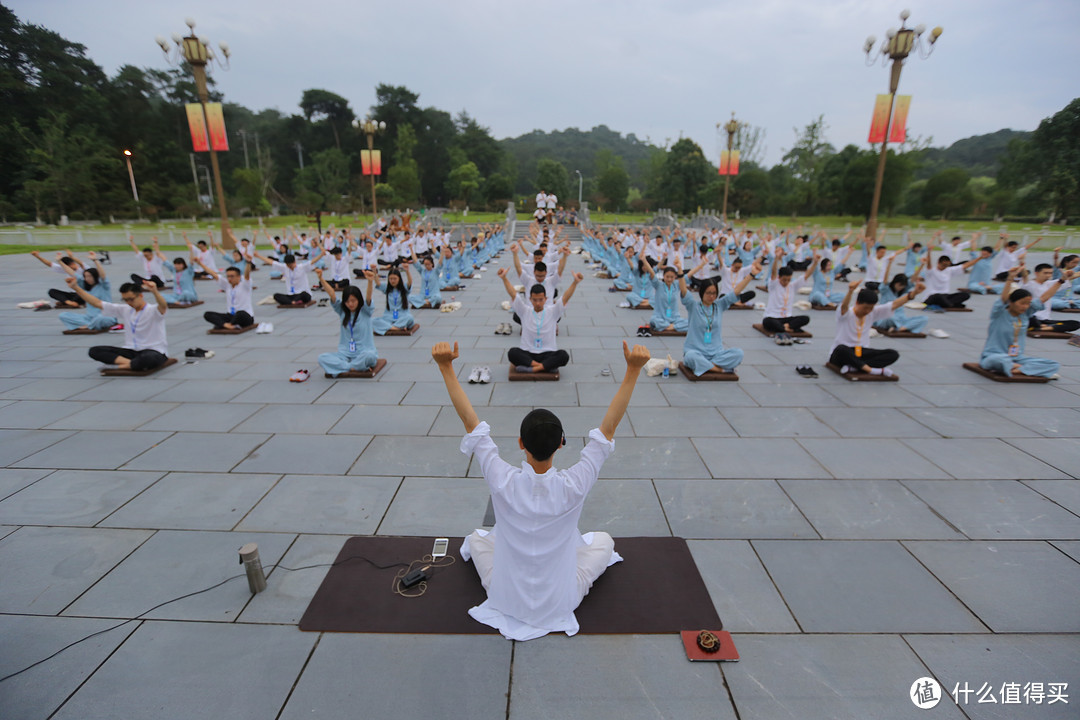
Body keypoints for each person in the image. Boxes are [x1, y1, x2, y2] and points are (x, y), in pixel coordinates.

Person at [433, 338, 650, 640]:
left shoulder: (501, 478)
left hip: (505, 595)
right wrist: (633, 371)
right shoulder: (576, 482)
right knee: (603, 541)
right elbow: (608, 430)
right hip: (561, 600)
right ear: (561, 444)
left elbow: (471, 423)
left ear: (520, 444)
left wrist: (445, 367)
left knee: (477, 539)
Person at [64, 276, 170, 371]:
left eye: (131, 299)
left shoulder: (153, 310)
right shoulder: (125, 309)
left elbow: (163, 305)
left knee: (149, 359)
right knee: (95, 351)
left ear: (141, 296)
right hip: (130, 351)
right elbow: (97, 303)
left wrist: (155, 291)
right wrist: (76, 287)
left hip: (152, 351)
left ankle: (120, 366)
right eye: (125, 300)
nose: (128, 302)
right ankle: (131, 364)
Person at [979, 266, 1068, 379]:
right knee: (999, 360)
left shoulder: (1025, 314)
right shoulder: (999, 313)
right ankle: (1021, 368)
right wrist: (1010, 279)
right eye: (1022, 303)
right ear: (1011, 302)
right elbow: (1003, 298)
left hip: (1017, 358)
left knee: (1053, 364)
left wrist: (1061, 281)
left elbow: (1044, 297)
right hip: (994, 356)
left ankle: (1016, 369)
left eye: (1028, 303)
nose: (1025, 306)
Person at [828, 278, 925, 376]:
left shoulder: (872, 313)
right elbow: (844, 307)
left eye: (870, 308)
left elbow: (894, 304)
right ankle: (871, 370)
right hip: (842, 354)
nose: (867, 311)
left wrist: (913, 293)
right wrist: (850, 292)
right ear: (857, 303)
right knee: (841, 349)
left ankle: (854, 367)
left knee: (893, 354)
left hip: (861, 352)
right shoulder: (846, 314)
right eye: (865, 308)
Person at [497, 267, 582, 373]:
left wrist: (575, 282)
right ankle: (543, 367)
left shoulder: (553, 311)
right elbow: (513, 294)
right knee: (512, 353)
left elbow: (565, 298)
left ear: (545, 299)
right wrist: (504, 278)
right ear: (530, 299)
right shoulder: (524, 311)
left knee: (563, 355)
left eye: (541, 300)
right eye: (535, 300)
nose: (538, 303)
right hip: (528, 352)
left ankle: (531, 368)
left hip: (547, 352)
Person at [679, 261, 752, 376]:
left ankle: (706, 366)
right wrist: (679, 271)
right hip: (696, 352)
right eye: (708, 293)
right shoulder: (693, 306)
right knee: (690, 357)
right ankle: (719, 369)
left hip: (716, 354)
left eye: (714, 293)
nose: (711, 296)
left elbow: (736, 291)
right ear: (702, 293)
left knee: (739, 353)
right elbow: (683, 290)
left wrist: (751, 275)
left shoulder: (719, 305)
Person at [315, 268, 379, 376]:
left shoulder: (365, 311)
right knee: (322, 358)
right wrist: (321, 279)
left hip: (363, 353)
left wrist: (370, 281)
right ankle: (353, 367)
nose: (350, 304)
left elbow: (368, 297)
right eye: (347, 301)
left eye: (353, 301)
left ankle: (345, 367)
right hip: (345, 355)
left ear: (359, 300)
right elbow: (332, 294)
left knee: (370, 357)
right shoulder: (342, 311)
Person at [57, 252, 118, 332]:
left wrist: (95, 260)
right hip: (89, 318)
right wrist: (60, 261)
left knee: (100, 319)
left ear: (95, 276)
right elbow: (71, 272)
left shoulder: (103, 285)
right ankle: (91, 325)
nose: (87, 279)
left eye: (89, 276)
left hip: (105, 316)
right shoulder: (84, 285)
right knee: (63, 315)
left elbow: (103, 275)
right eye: (85, 276)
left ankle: (89, 326)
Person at [762, 247, 816, 337]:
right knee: (767, 322)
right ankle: (787, 327)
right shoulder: (774, 285)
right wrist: (776, 258)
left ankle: (785, 327)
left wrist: (815, 263)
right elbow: (774, 271)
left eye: (788, 280)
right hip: (773, 317)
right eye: (784, 280)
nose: (786, 282)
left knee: (806, 318)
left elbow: (806, 276)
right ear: (779, 277)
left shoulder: (792, 286)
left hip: (787, 318)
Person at [196, 256, 254, 330]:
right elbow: (213, 274)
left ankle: (225, 324)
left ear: (239, 277)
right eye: (228, 276)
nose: (229, 279)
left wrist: (248, 263)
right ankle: (228, 325)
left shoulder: (245, 285)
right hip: (231, 315)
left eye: (232, 276)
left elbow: (247, 275)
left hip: (245, 317)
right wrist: (200, 263)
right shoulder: (227, 285)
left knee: (241, 313)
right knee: (207, 314)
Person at [253, 248, 325, 305]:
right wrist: (258, 256)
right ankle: (293, 302)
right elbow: (272, 262)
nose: (290, 267)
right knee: (276, 295)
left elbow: (312, 261)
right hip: (292, 295)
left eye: (291, 265)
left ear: (294, 262)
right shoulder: (285, 267)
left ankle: (294, 301)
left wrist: (321, 254)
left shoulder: (301, 267)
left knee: (304, 294)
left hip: (303, 294)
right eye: (288, 266)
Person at [1022, 264, 1080, 334]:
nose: (1048, 275)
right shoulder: (1029, 285)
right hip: (1032, 317)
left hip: (1046, 320)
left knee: (1075, 324)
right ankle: (1044, 327)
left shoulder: (1049, 284)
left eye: (1050, 273)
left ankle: (1043, 328)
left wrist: (1069, 275)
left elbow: (1067, 279)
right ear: (1036, 273)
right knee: (1030, 318)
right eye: (1045, 273)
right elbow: (1060, 282)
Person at [922, 243, 979, 310]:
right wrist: (929, 251)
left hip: (945, 296)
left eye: (947, 265)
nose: (945, 267)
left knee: (966, 295)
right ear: (938, 263)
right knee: (938, 296)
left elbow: (965, 265)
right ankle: (951, 304)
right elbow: (929, 263)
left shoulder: (949, 270)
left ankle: (949, 304)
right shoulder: (931, 271)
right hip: (932, 297)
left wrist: (980, 257)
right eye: (944, 265)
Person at [640, 260, 687, 333]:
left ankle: (669, 327)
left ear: (675, 277)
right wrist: (645, 260)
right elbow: (652, 273)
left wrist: (679, 268)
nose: (669, 279)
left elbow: (685, 279)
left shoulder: (676, 285)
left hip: (674, 319)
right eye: (667, 277)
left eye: (672, 277)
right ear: (663, 276)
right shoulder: (658, 285)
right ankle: (673, 327)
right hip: (660, 318)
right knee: (654, 321)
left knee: (690, 322)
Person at [371, 265, 415, 335]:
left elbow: (410, 282)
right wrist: (374, 272)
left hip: (402, 316)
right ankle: (397, 328)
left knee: (410, 318)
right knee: (372, 320)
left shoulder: (404, 288)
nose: (392, 281)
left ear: (399, 279)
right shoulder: (387, 288)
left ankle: (390, 327)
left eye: (395, 279)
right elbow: (378, 283)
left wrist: (407, 271)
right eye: (390, 279)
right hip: (389, 317)